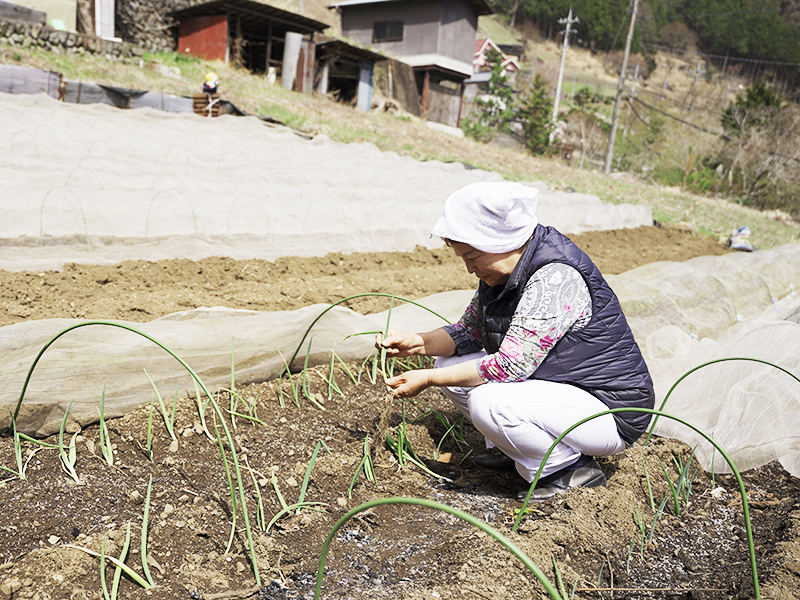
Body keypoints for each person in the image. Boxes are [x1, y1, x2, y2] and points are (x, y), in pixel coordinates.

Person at [375, 182, 655, 503]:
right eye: (462, 257)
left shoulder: (555, 276)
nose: (469, 268)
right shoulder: (504, 273)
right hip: (564, 393)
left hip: (608, 411)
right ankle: (517, 450)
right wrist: (417, 342)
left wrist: (427, 378)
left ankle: (567, 469)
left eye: (472, 256)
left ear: (501, 239)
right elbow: (468, 334)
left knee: (490, 402)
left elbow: (509, 366)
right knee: (449, 366)